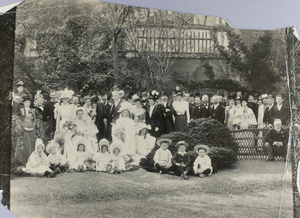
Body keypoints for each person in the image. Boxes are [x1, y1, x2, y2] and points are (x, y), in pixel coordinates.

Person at [15, 96, 36, 165]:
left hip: (31, 128)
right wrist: (24, 127)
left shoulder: (32, 110)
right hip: (23, 129)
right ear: (23, 103)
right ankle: (22, 160)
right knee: (22, 143)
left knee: (31, 143)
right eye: (26, 102)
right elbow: (19, 120)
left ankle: (30, 158)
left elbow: (34, 120)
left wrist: (32, 127)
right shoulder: (21, 110)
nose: (27, 104)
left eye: (28, 102)